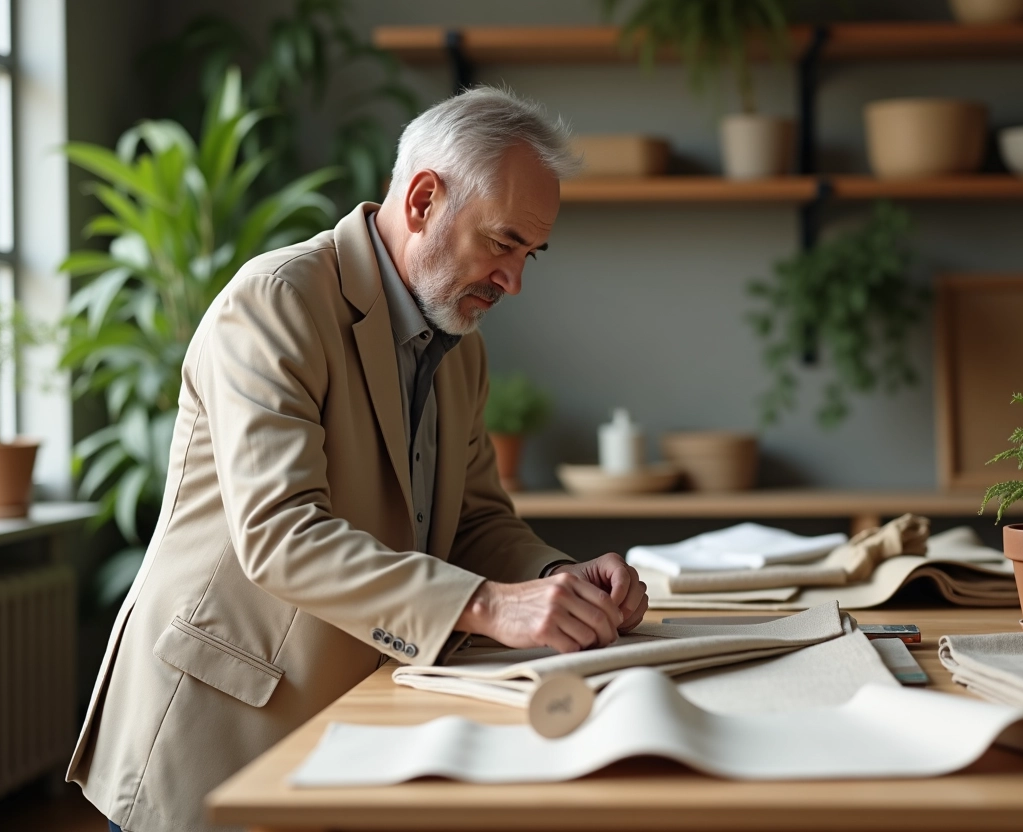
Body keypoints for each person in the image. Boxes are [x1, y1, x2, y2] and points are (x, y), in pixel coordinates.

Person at [67, 86, 649, 832]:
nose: (516, 281)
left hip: (348, 722)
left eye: (530, 253)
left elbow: (475, 520)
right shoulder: (277, 302)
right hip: (218, 728)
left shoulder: (461, 351)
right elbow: (282, 536)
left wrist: (551, 579)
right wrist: (490, 605)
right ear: (423, 201)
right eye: (503, 243)